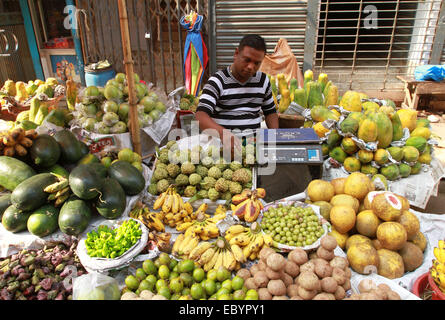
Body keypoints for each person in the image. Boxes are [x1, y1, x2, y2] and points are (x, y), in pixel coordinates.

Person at [195, 34, 279, 157]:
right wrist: (223, 134)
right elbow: (200, 116)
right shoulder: (217, 81)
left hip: (253, 147)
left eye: (257, 63)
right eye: (247, 60)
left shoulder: (263, 81)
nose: (251, 67)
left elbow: (270, 112)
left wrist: (274, 137)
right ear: (236, 53)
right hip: (222, 149)